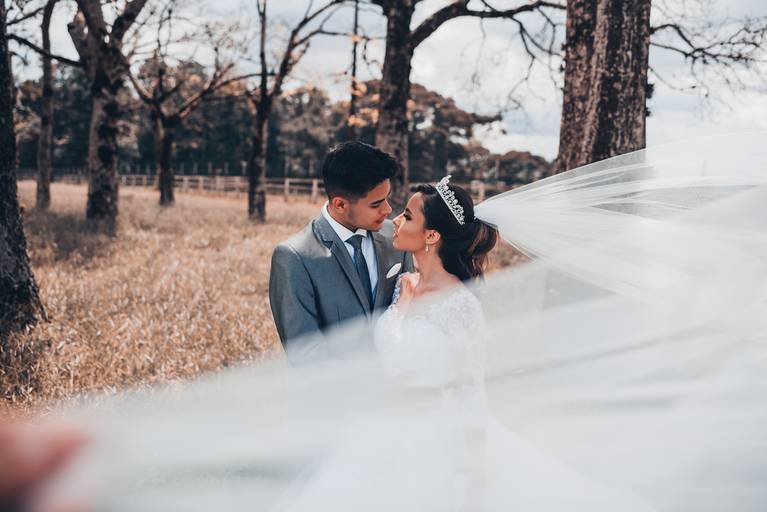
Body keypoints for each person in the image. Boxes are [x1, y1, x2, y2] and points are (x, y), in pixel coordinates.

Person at [277, 176, 654, 511]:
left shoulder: (460, 304)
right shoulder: (403, 284)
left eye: (407, 216)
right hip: (376, 430)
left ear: (431, 236)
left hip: (432, 440)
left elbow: (471, 389)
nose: (396, 220)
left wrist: (472, 472)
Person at [269, 141, 411, 362]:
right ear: (340, 205)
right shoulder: (294, 257)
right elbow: (305, 353)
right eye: (376, 204)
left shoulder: (397, 238)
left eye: (387, 198)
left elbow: (411, 315)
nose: (388, 209)